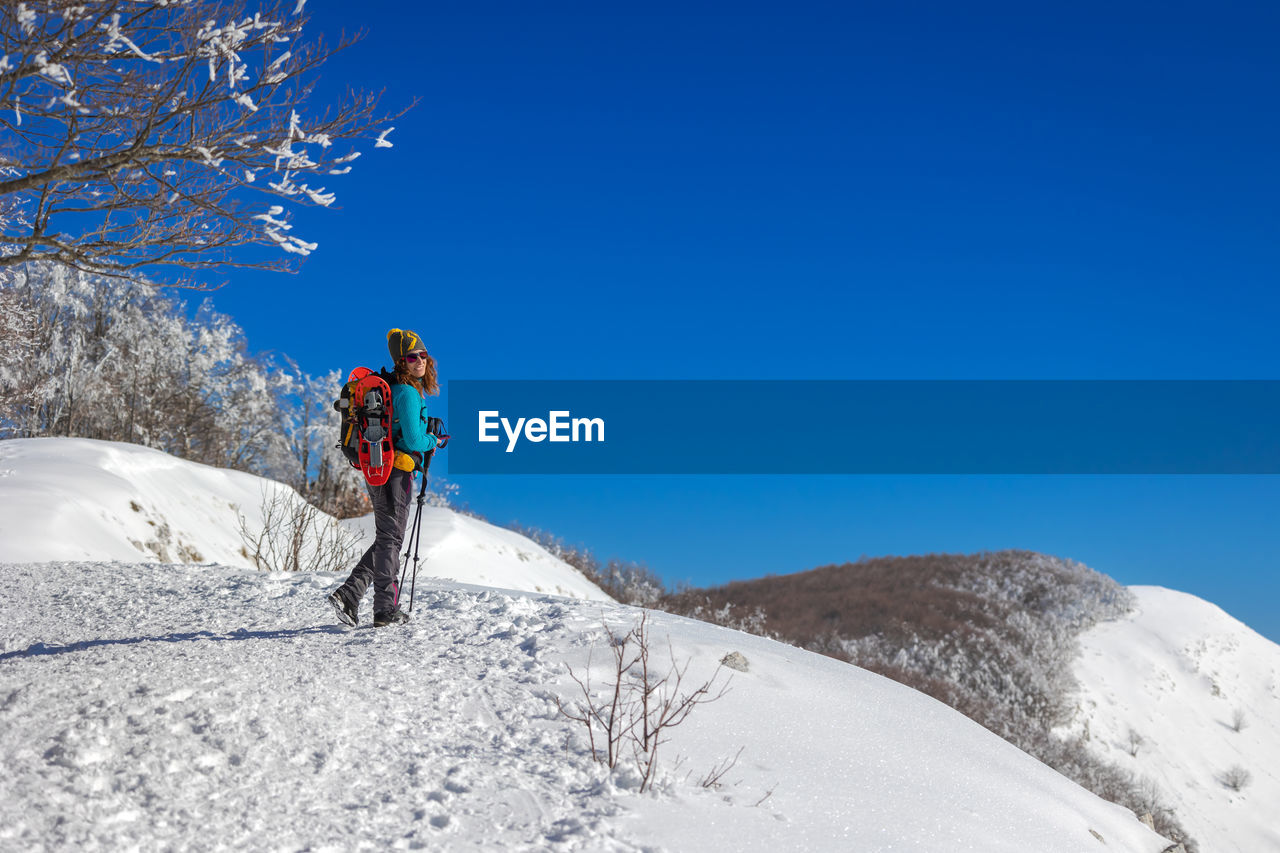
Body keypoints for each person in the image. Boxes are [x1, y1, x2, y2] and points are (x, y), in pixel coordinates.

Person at [327, 328, 441, 627]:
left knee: (387, 537)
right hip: (395, 471)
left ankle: (349, 595)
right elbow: (415, 440)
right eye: (412, 357)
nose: (420, 361)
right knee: (391, 539)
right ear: (401, 361)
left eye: (423, 355)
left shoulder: (401, 389)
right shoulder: (407, 392)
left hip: (378, 466)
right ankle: (384, 610)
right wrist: (434, 440)